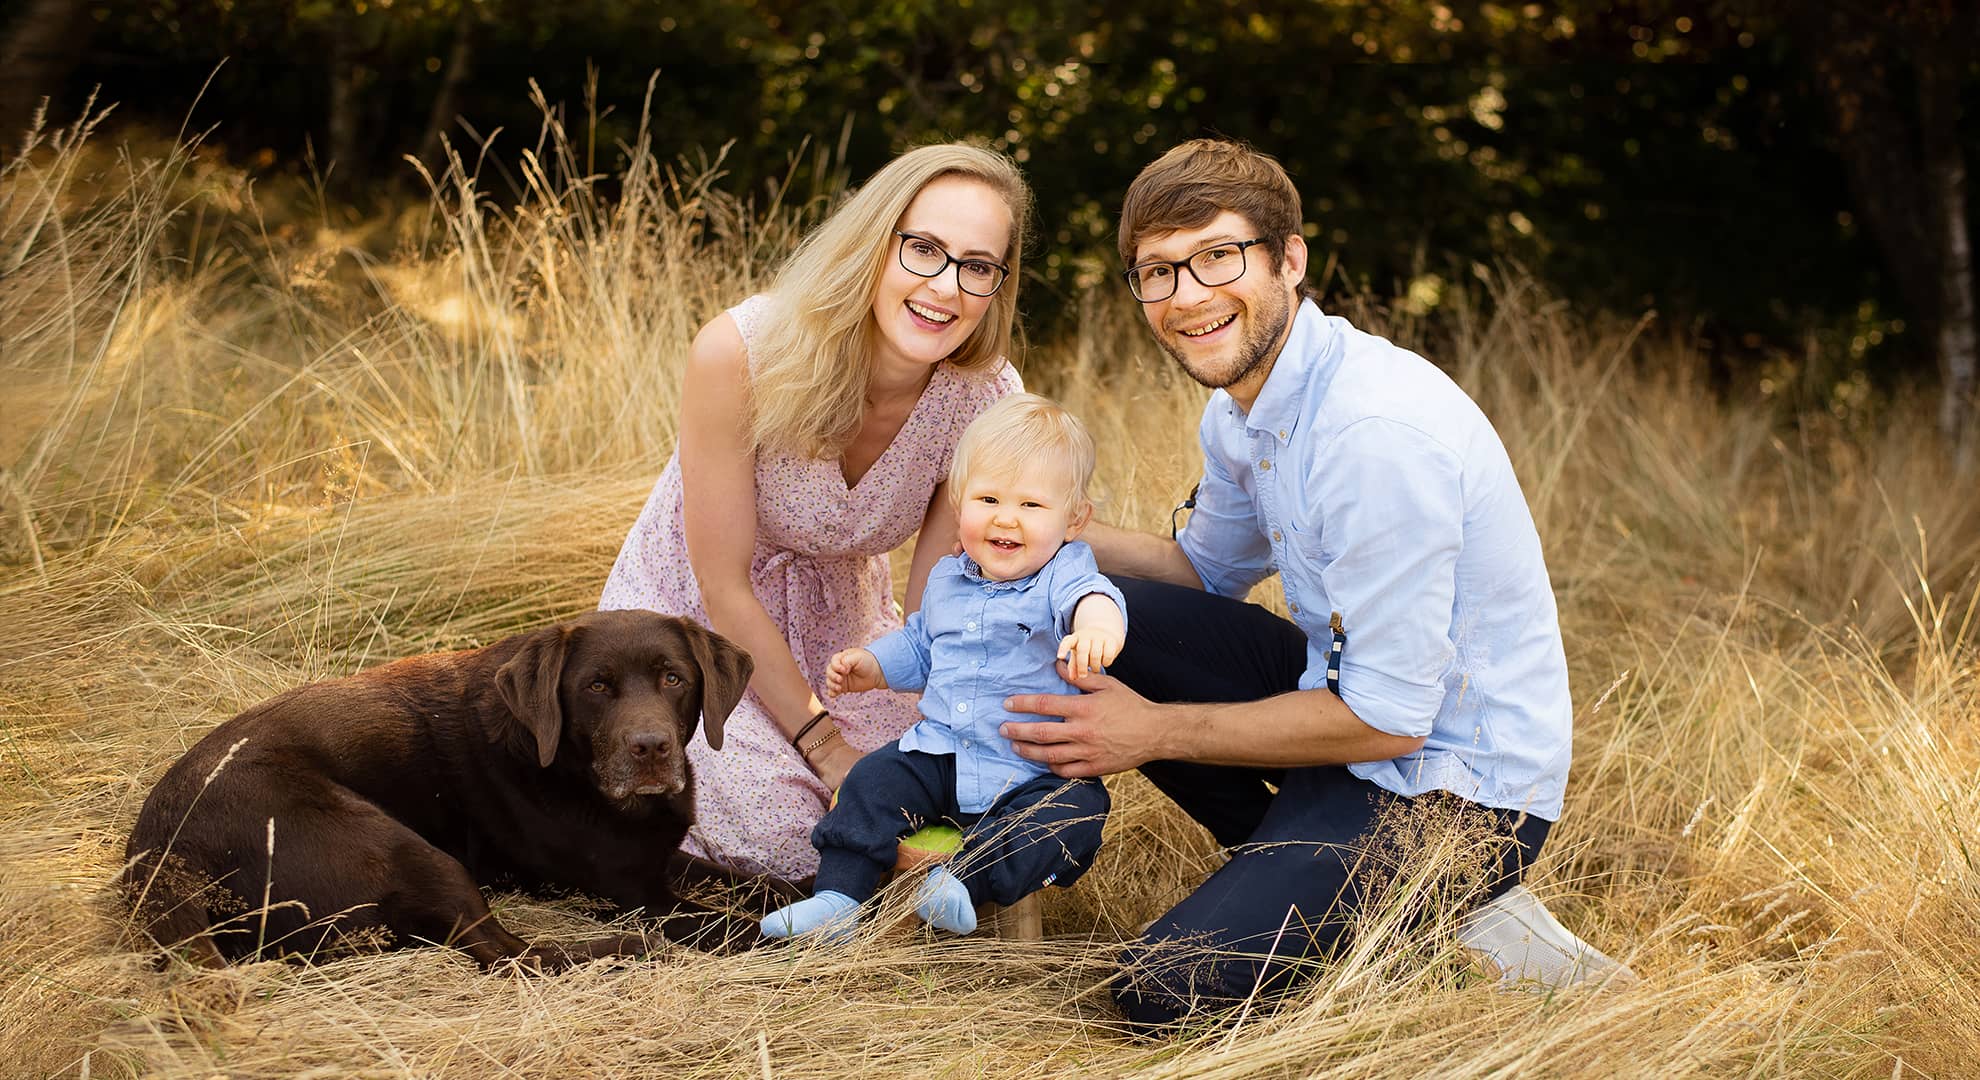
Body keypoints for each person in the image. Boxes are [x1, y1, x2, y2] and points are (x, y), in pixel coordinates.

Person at [997, 139, 1632, 1030]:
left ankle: (1421, 906)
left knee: (1162, 991)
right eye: (1157, 272)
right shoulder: (1243, 407)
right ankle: (1307, 874)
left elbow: (1393, 718)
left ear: (1290, 258)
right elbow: (1203, 579)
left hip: (1456, 793)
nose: (1187, 296)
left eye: (1219, 256)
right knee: (1102, 612)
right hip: (1347, 719)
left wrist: (1148, 734)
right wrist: (1045, 526)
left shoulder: (1374, 434)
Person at [600, 143, 1029, 883]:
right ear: (874, 244)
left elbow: (937, 611)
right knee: (791, 833)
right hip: (695, 637)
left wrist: (959, 732)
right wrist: (828, 749)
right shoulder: (743, 351)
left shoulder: (985, 399)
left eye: (977, 266)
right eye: (923, 249)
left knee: (952, 786)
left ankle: (913, 875)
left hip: (848, 642)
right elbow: (720, 583)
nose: (945, 287)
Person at [759, 394, 1125, 942]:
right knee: (872, 778)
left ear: (1074, 519)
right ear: (960, 504)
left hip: (1032, 770)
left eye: (1032, 505)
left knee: (1076, 812)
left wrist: (1098, 630)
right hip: (941, 755)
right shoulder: (948, 579)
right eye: (989, 498)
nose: (1006, 517)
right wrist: (873, 665)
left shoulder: (1062, 573)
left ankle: (960, 884)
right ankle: (838, 896)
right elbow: (922, 644)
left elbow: (1095, 597)